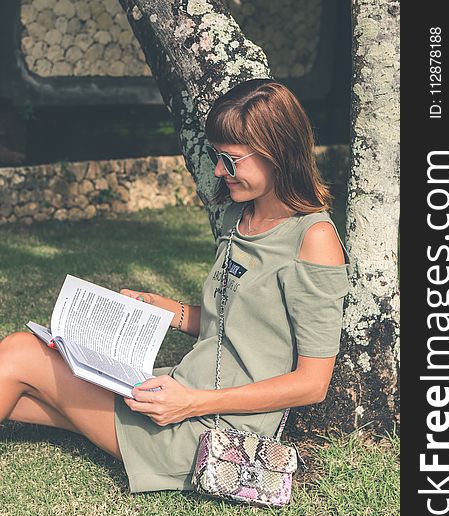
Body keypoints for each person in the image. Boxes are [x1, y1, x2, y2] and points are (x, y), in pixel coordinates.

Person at [0, 80, 349, 493]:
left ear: (278, 155)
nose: (220, 171)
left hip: (212, 430)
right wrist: (164, 309)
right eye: (218, 158)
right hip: (182, 390)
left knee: (20, 355)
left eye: (230, 160)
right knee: (20, 395)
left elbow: (312, 383)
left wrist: (191, 402)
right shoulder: (242, 218)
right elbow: (235, 326)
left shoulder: (314, 240)